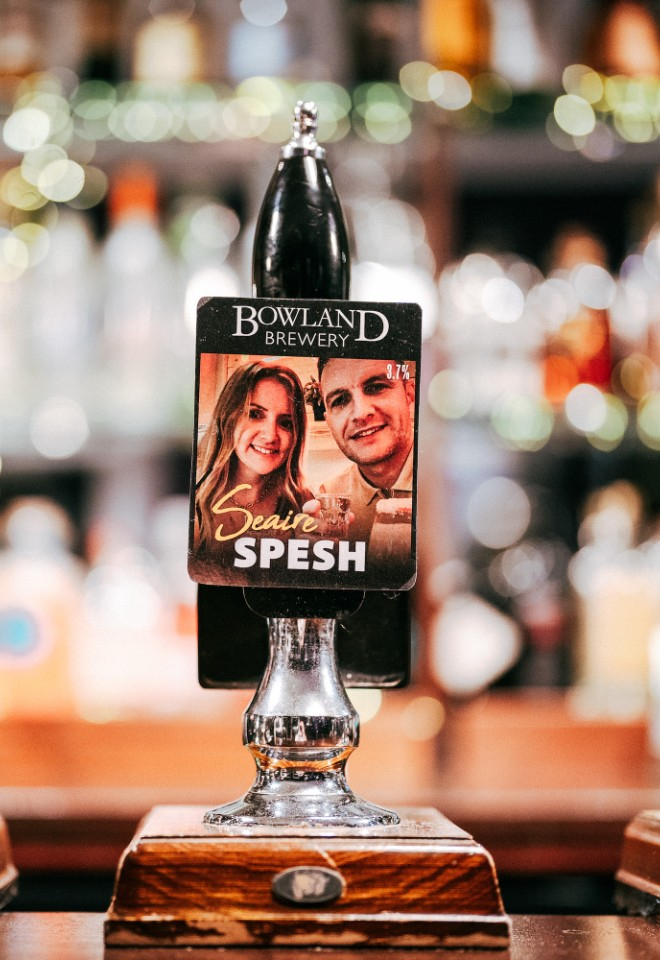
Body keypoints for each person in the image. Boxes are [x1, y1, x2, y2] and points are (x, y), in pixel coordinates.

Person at [193, 360, 311, 560]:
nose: (270, 435)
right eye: (255, 414)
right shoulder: (194, 499)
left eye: (285, 423)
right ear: (228, 418)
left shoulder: (303, 503)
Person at [313, 357, 415, 546]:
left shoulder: (448, 485)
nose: (360, 413)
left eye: (376, 387)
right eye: (340, 400)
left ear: (409, 393)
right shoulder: (329, 499)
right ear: (329, 422)